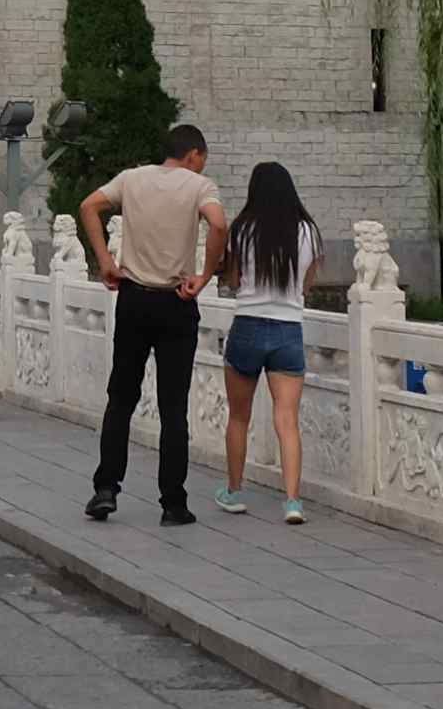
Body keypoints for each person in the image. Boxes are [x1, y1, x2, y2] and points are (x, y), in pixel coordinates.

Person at [75, 122, 224, 528]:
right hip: (177, 301)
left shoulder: (131, 178)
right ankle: (173, 503)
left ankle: (106, 489)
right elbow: (219, 225)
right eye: (202, 159)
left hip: (134, 299)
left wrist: (105, 261)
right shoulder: (200, 186)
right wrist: (204, 276)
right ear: (193, 154)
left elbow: (88, 206)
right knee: (173, 407)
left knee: (121, 397)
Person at [215, 160, 317, 520]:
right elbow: (307, 284)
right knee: (287, 420)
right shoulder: (308, 231)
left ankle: (233, 492)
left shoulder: (242, 229)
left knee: (238, 417)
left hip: (248, 325)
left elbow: (232, 280)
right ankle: (292, 501)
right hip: (288, 329)